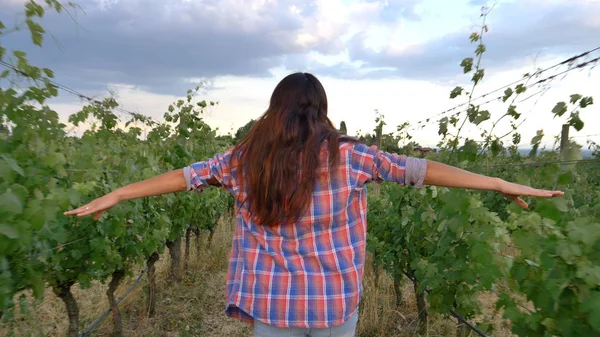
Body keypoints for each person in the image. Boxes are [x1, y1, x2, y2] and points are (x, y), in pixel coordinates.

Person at [64, 72, 563, 337]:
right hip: (334, 306)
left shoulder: (243, 162)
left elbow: (184, 177)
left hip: (272, 306)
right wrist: (499, 183)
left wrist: (120, 191)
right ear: (321, 110)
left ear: (274, 110)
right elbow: (421, 170)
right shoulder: (353, 158)